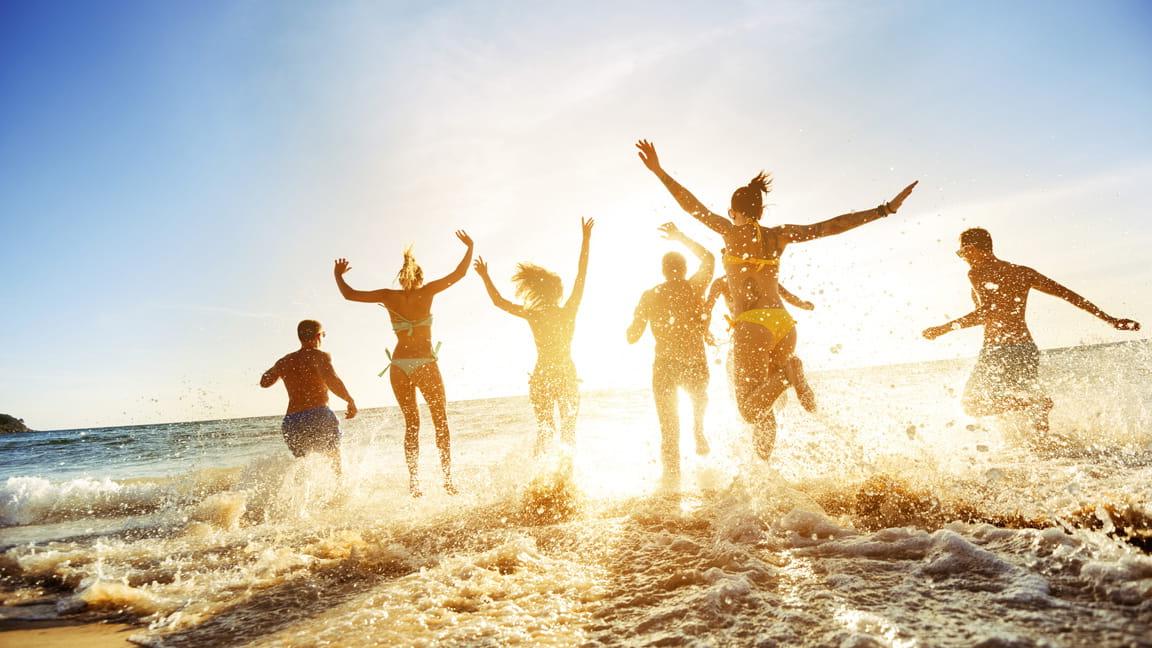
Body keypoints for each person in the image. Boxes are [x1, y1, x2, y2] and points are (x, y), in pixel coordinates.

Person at [636, 138, 917, 460]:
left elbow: (692, 206)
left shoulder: (729, 232)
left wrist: (659, 172)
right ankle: (766, 471)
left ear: (734, 212)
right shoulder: (778, 235)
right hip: (784, 325)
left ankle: (788, 374)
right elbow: (828, 227)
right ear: (760, 210)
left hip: (752, 326)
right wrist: (884, 210)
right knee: (763, 405)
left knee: (748, 410)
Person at [922, 227, 1140, 442]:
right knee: (1026, 406)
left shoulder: (977, 272)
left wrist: (944, 329)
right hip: (1026, 349)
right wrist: (1109, 319)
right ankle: (1043, 451)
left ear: (975, 248)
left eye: (962, 252)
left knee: (972, 404)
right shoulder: (1022, 272)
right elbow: (1067, 294)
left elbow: (988, 312)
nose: (962, 258)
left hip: (999, 350)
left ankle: (1038, 412)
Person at [333, 231, 473, 497]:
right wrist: (470, 247)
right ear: (419, 276)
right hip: (424, 363)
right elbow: (459, 274)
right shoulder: (428, 291)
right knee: (440, 421)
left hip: (399, 365)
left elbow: (349, 295)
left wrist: (338, 274)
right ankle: (447, 480)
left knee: (412, 424)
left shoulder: (388, 295)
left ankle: (414, 483)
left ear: (401, 277)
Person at [474, 218, 594, 455]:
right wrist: (586, 240)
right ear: (558, 292)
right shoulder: (568, 311)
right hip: (566, 374)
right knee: (568, 430)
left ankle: (538, 483)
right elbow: (581, 275)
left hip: (542, 375)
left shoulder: (533, 315)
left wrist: (485, 276)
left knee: (545, 430)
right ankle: (565, 482)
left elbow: (499, 302)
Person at [626, 222, 714, 485]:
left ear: (663, 271)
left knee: (669, 426)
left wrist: (637, 320)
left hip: (664, 365)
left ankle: (671, 484)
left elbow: (632, 337)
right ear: (685, 270)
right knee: (699, 398)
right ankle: (698, 428)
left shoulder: (650, 295)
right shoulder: (693, 287)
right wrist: (680, 237)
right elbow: (709, 258)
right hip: (694, 359)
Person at [260, 320, 357, 475]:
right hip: (318, 415)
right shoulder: (319, 356)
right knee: (335, 465)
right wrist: (349, 400)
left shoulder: (285, 361)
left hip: (292, 421)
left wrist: (281, 368)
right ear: (318, 336)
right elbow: (331, 379)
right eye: (323, 335)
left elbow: (264, 382)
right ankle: (338, 496)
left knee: (303, 469)